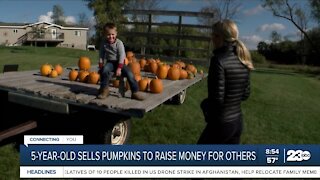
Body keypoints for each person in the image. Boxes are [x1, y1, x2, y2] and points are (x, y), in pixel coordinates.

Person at [197, 19, 254, 144]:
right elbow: (245, 95)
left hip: (220, 125)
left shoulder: (218, 61)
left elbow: (216, 100)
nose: (211, 38)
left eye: (213, 35)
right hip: (237, 123)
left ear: (219, 37)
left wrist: (204, 104)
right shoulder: (243, 59)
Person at [97, 23, 144, 100]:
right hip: (110, 63)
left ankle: (135, 92)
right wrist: (101, 65)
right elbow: (101, 55)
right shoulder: (103, 43)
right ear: (105, 34)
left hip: (120, 63)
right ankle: (104, 90)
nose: (111, 36)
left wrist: (119, 68)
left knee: (130, 73)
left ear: (116, 34)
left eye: (112, 34)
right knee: (104, 70)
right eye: (108, 34)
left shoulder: (119, 43)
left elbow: (122, 56)